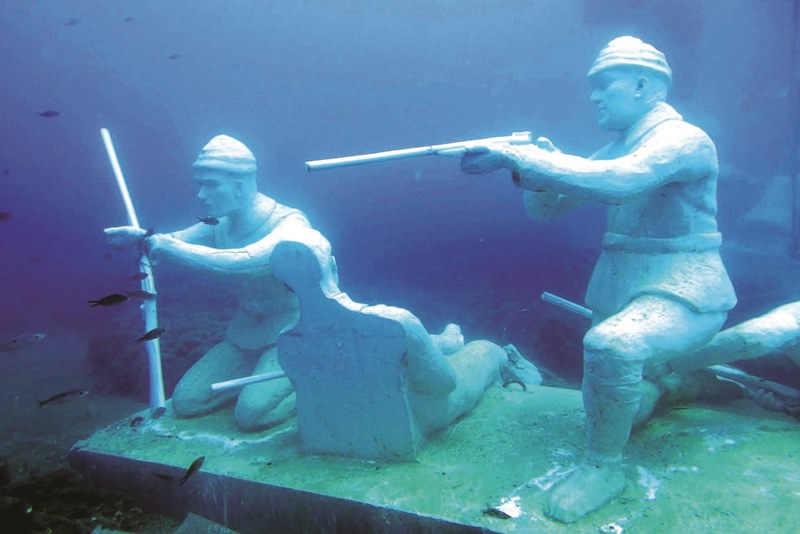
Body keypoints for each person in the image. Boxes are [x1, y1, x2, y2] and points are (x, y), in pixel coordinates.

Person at [460, 36, 737, 522]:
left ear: (643, 85)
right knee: (622, 382)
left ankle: (604, 468)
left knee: (613, 346)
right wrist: (539, 165)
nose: (594, 96)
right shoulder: (616, 147)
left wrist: (528, 159)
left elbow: (620, 180)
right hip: (625, 284)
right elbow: (548, 208)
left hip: (684, 288)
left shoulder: (682, 139)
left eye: (604, 85)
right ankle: (676, 388)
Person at [105, 134, 335, 432]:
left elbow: (245, 261)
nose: (201, 194)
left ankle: (315, 372)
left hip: (292, 333)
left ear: (239, 187)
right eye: (200, 184)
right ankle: (265, 381)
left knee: (252, 416)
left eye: (210, 184)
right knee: (187, 402)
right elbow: (172, 241)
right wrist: (141, 240)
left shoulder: (290, 225)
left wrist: (161, 246)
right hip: (245, 333)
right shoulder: (222, 223)